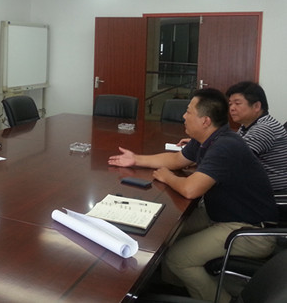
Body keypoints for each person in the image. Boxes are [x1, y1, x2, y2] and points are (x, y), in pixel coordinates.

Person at [108, 88, 277, 302]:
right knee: (166, 232)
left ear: (205, 121)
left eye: (188, 112)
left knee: (177, 258)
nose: (183, 116)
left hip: (250, 230)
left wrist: (167, 177)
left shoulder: (225, 146)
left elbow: (191, 189)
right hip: (223, 215)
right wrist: (136, 159)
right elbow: (176, 160)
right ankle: (178, 287)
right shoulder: (209, 138)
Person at [226, 81, 287, 192]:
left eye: (237, 103)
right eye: (230, 104)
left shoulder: (265, 127)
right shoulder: (246, 126)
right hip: (259, 190)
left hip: (275, 195)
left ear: (257, 106)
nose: (232, 108)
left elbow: (232, 158)